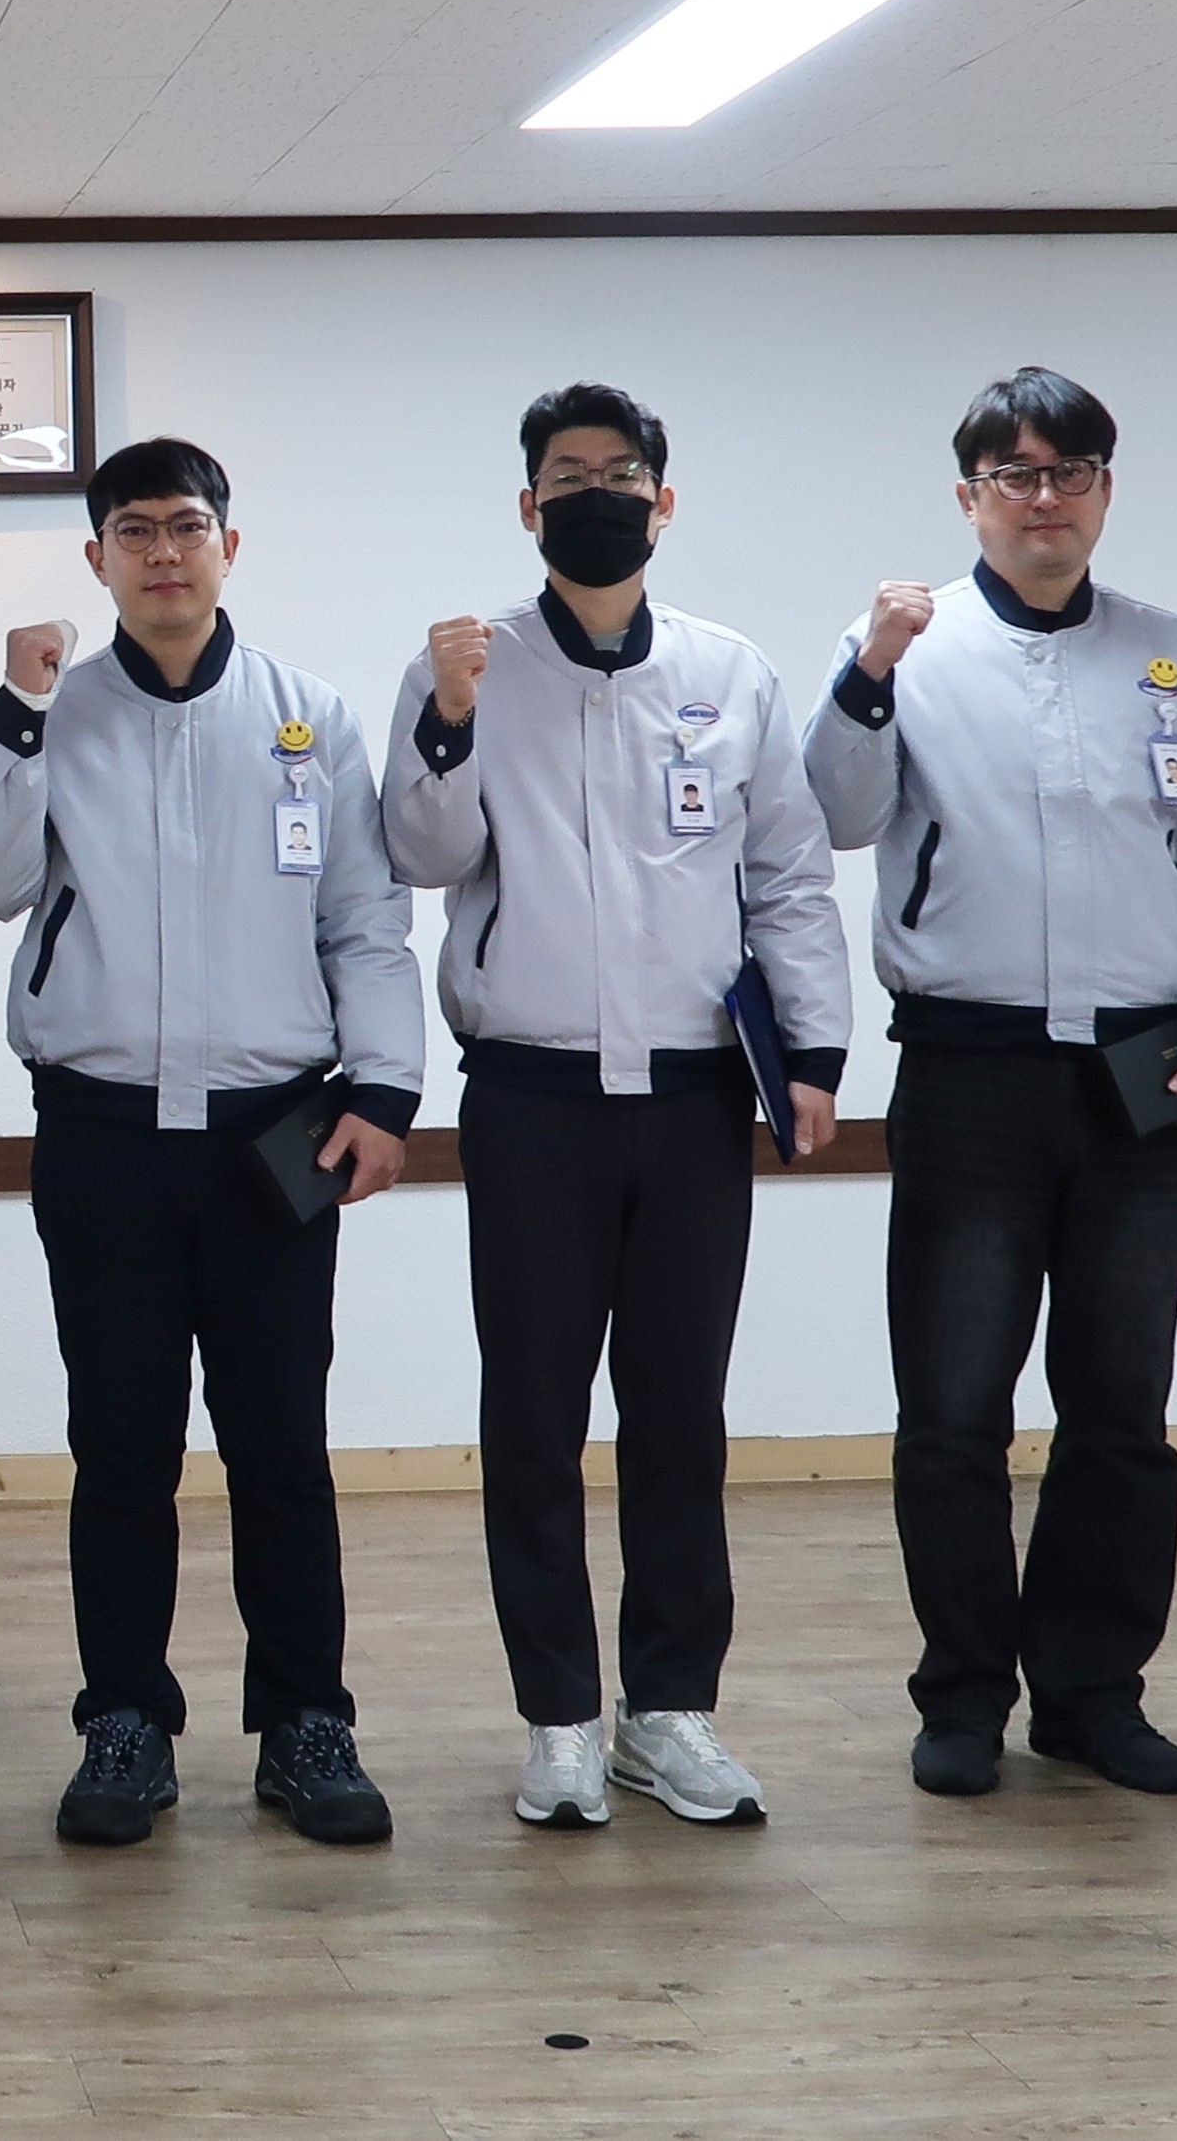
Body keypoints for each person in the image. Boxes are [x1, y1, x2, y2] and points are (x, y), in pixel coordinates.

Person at [799, 368, 1177, 1802]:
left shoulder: (1173, 654)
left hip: (1145, 1071)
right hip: (971, 1068)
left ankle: (1090, 1694)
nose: (1043, 498)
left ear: (1103, 491)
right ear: (967, 497)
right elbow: (834, 813)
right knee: (954, 1406)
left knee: (1121, 1407)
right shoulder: (906, 644)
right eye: (1012, 475)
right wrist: (869, 669)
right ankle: (961, 1694)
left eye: (1069, 471)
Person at [0, 436, 420, 1850]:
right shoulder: (54, 710)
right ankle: (125, 1723)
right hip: (103, 1138)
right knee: (120, 1445)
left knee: (281, 1445)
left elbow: (365, 921)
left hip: (276, 1137)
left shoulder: (306, 717)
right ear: (96, 559)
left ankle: (307, 1720)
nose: (162, 552)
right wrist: (17, 712)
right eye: (134, 531)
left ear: (227, 547)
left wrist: (386, 1091)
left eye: (186, 526)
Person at [387, 384, 845, 1835]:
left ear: (662, 500)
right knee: (531, 1411)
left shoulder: (728, 671)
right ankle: (557, 1719)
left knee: (678, 1412)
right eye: (568, 474)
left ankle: (668, 1711)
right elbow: (417, 850)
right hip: (532, 1093)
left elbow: (787, 873)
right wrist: (449, 717)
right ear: (527, 506)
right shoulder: (469, 664)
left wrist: (816, 1053)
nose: (598, 492)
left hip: (695, 1094)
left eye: (622, 472)